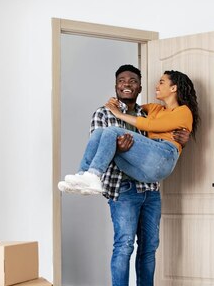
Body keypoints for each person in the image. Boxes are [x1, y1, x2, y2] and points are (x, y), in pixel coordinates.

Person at [59, 64, 193, 286]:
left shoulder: (147, 112)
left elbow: (160, 143)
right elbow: (98, 145)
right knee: (124, 246)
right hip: (122, 189)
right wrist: (118, 144)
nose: (127, 84)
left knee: (149, 248)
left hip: (150, 188)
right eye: (122, 80)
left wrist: (183, 139)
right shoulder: (102, 113)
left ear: (139, 87)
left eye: (133, 80)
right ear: (116, 85)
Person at [60, 70, 199, 195]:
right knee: (99, 133)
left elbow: (150, 125)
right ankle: (82, 176)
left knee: (112, 131)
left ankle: (94, 175)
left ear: (173, 88)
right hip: (144, 171)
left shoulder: (184, 111)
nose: (157, 86)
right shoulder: (155, 108)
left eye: (161, 82)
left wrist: (118, 114)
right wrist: (114, 103)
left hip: (163, 157)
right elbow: (129, 105)